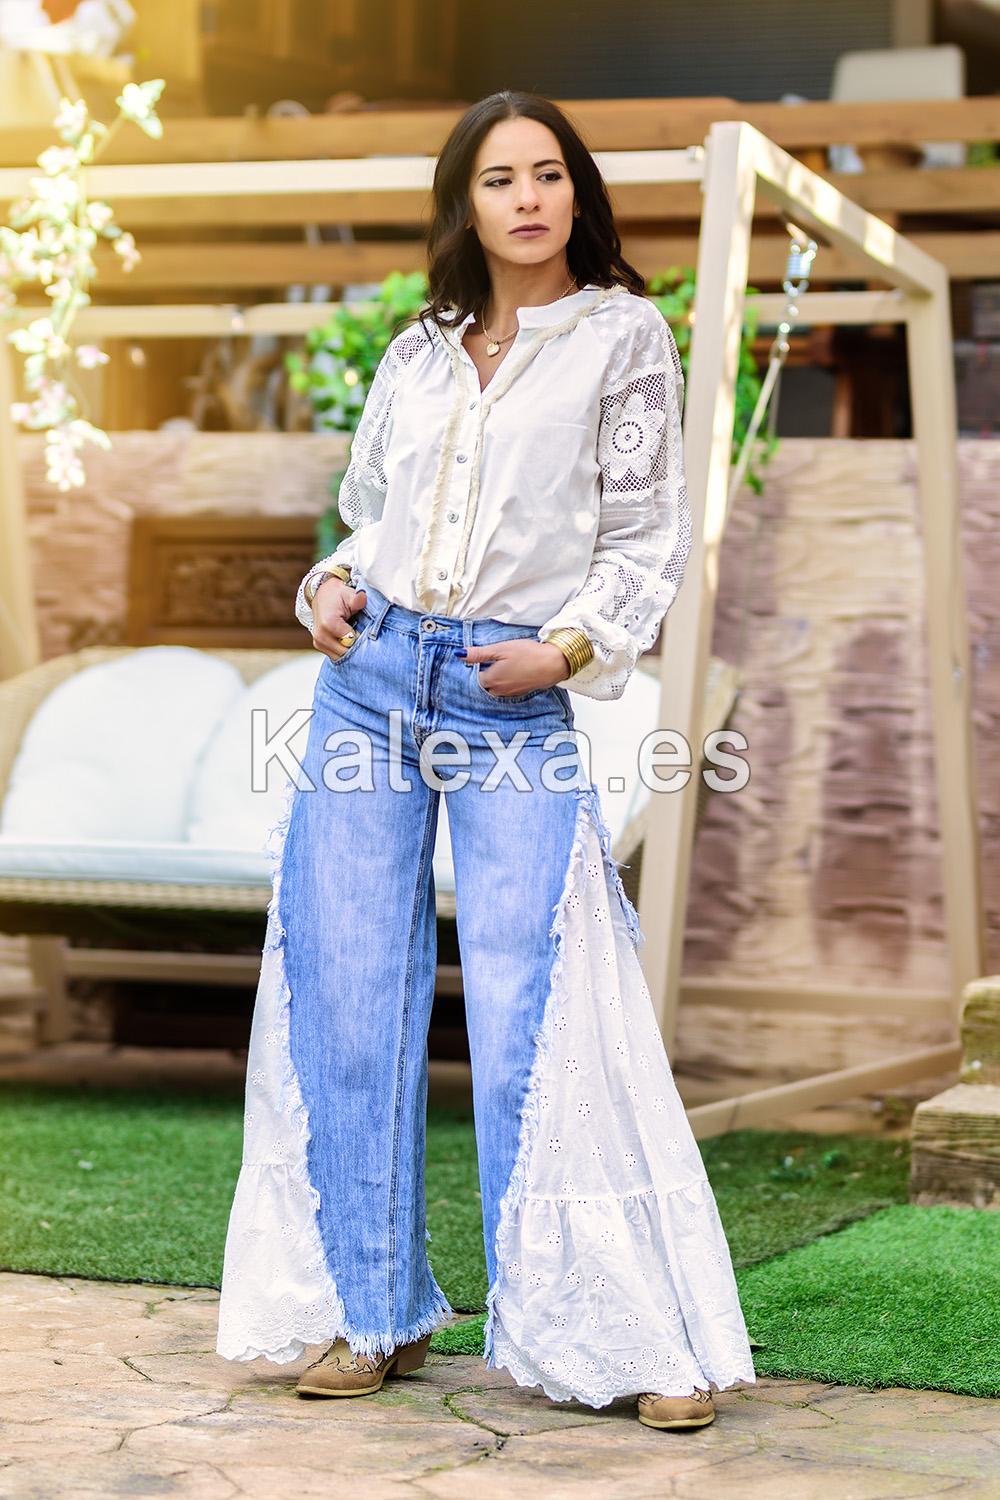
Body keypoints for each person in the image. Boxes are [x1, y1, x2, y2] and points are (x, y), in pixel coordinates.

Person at [215, 89, 756, 1432]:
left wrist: (564, 652)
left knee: (541, 1008)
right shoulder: (422, 348)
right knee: (349, 998)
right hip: (369, 684)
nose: (528, 198)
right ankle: (368, 1312)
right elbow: (371, 519)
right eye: (501, 177)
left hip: (511, 692)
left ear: (579, 194)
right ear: (465, 199)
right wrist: (326, 588)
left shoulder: (623, 337)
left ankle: (613, 1333)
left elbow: (645, 538)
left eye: (550, 174)